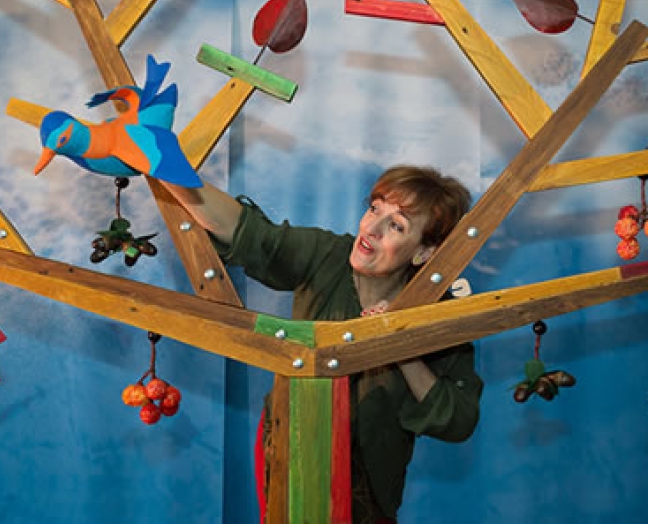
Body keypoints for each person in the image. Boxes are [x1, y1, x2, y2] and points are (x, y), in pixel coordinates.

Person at [183, 164, 483, 523]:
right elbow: (246, 233)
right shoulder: (327, 255)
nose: (370, 229)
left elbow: (458, 420)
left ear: (423, 253)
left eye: (396, 225)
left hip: (372, 489)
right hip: (291, 450)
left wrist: (402, 348)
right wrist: (164, 167)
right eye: (375, 209)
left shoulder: (438, 313)